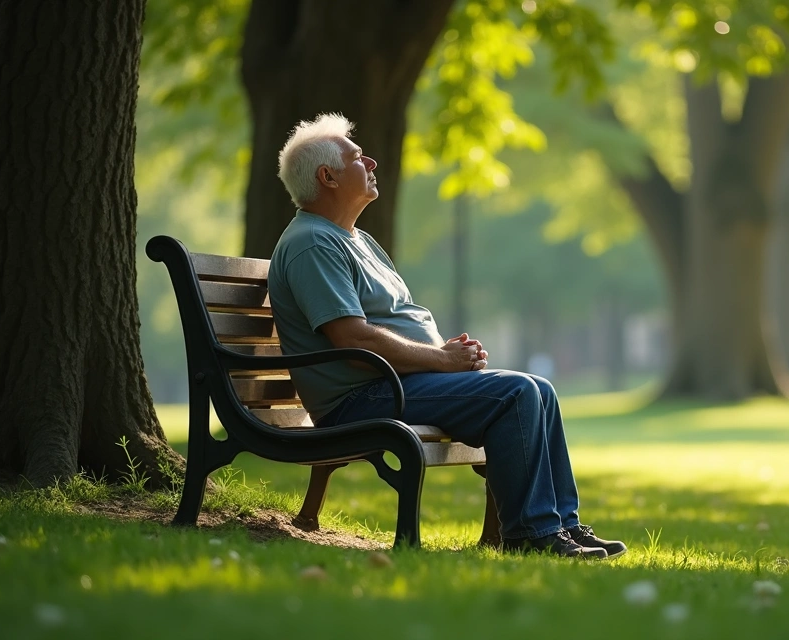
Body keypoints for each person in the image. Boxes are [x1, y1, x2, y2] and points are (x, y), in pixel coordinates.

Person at [266, 113, 625, 560]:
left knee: (539, 389)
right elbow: (355, 342)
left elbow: (387, 324)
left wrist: (444, 353)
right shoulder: (313, 244)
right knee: (516, 393)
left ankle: (561, 525)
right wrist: (442, 361)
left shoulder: (354, 239)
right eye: (359, 157)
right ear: (328, 176)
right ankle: (530, 534)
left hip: (395, 383)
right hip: (362, 397)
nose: (373, 162)